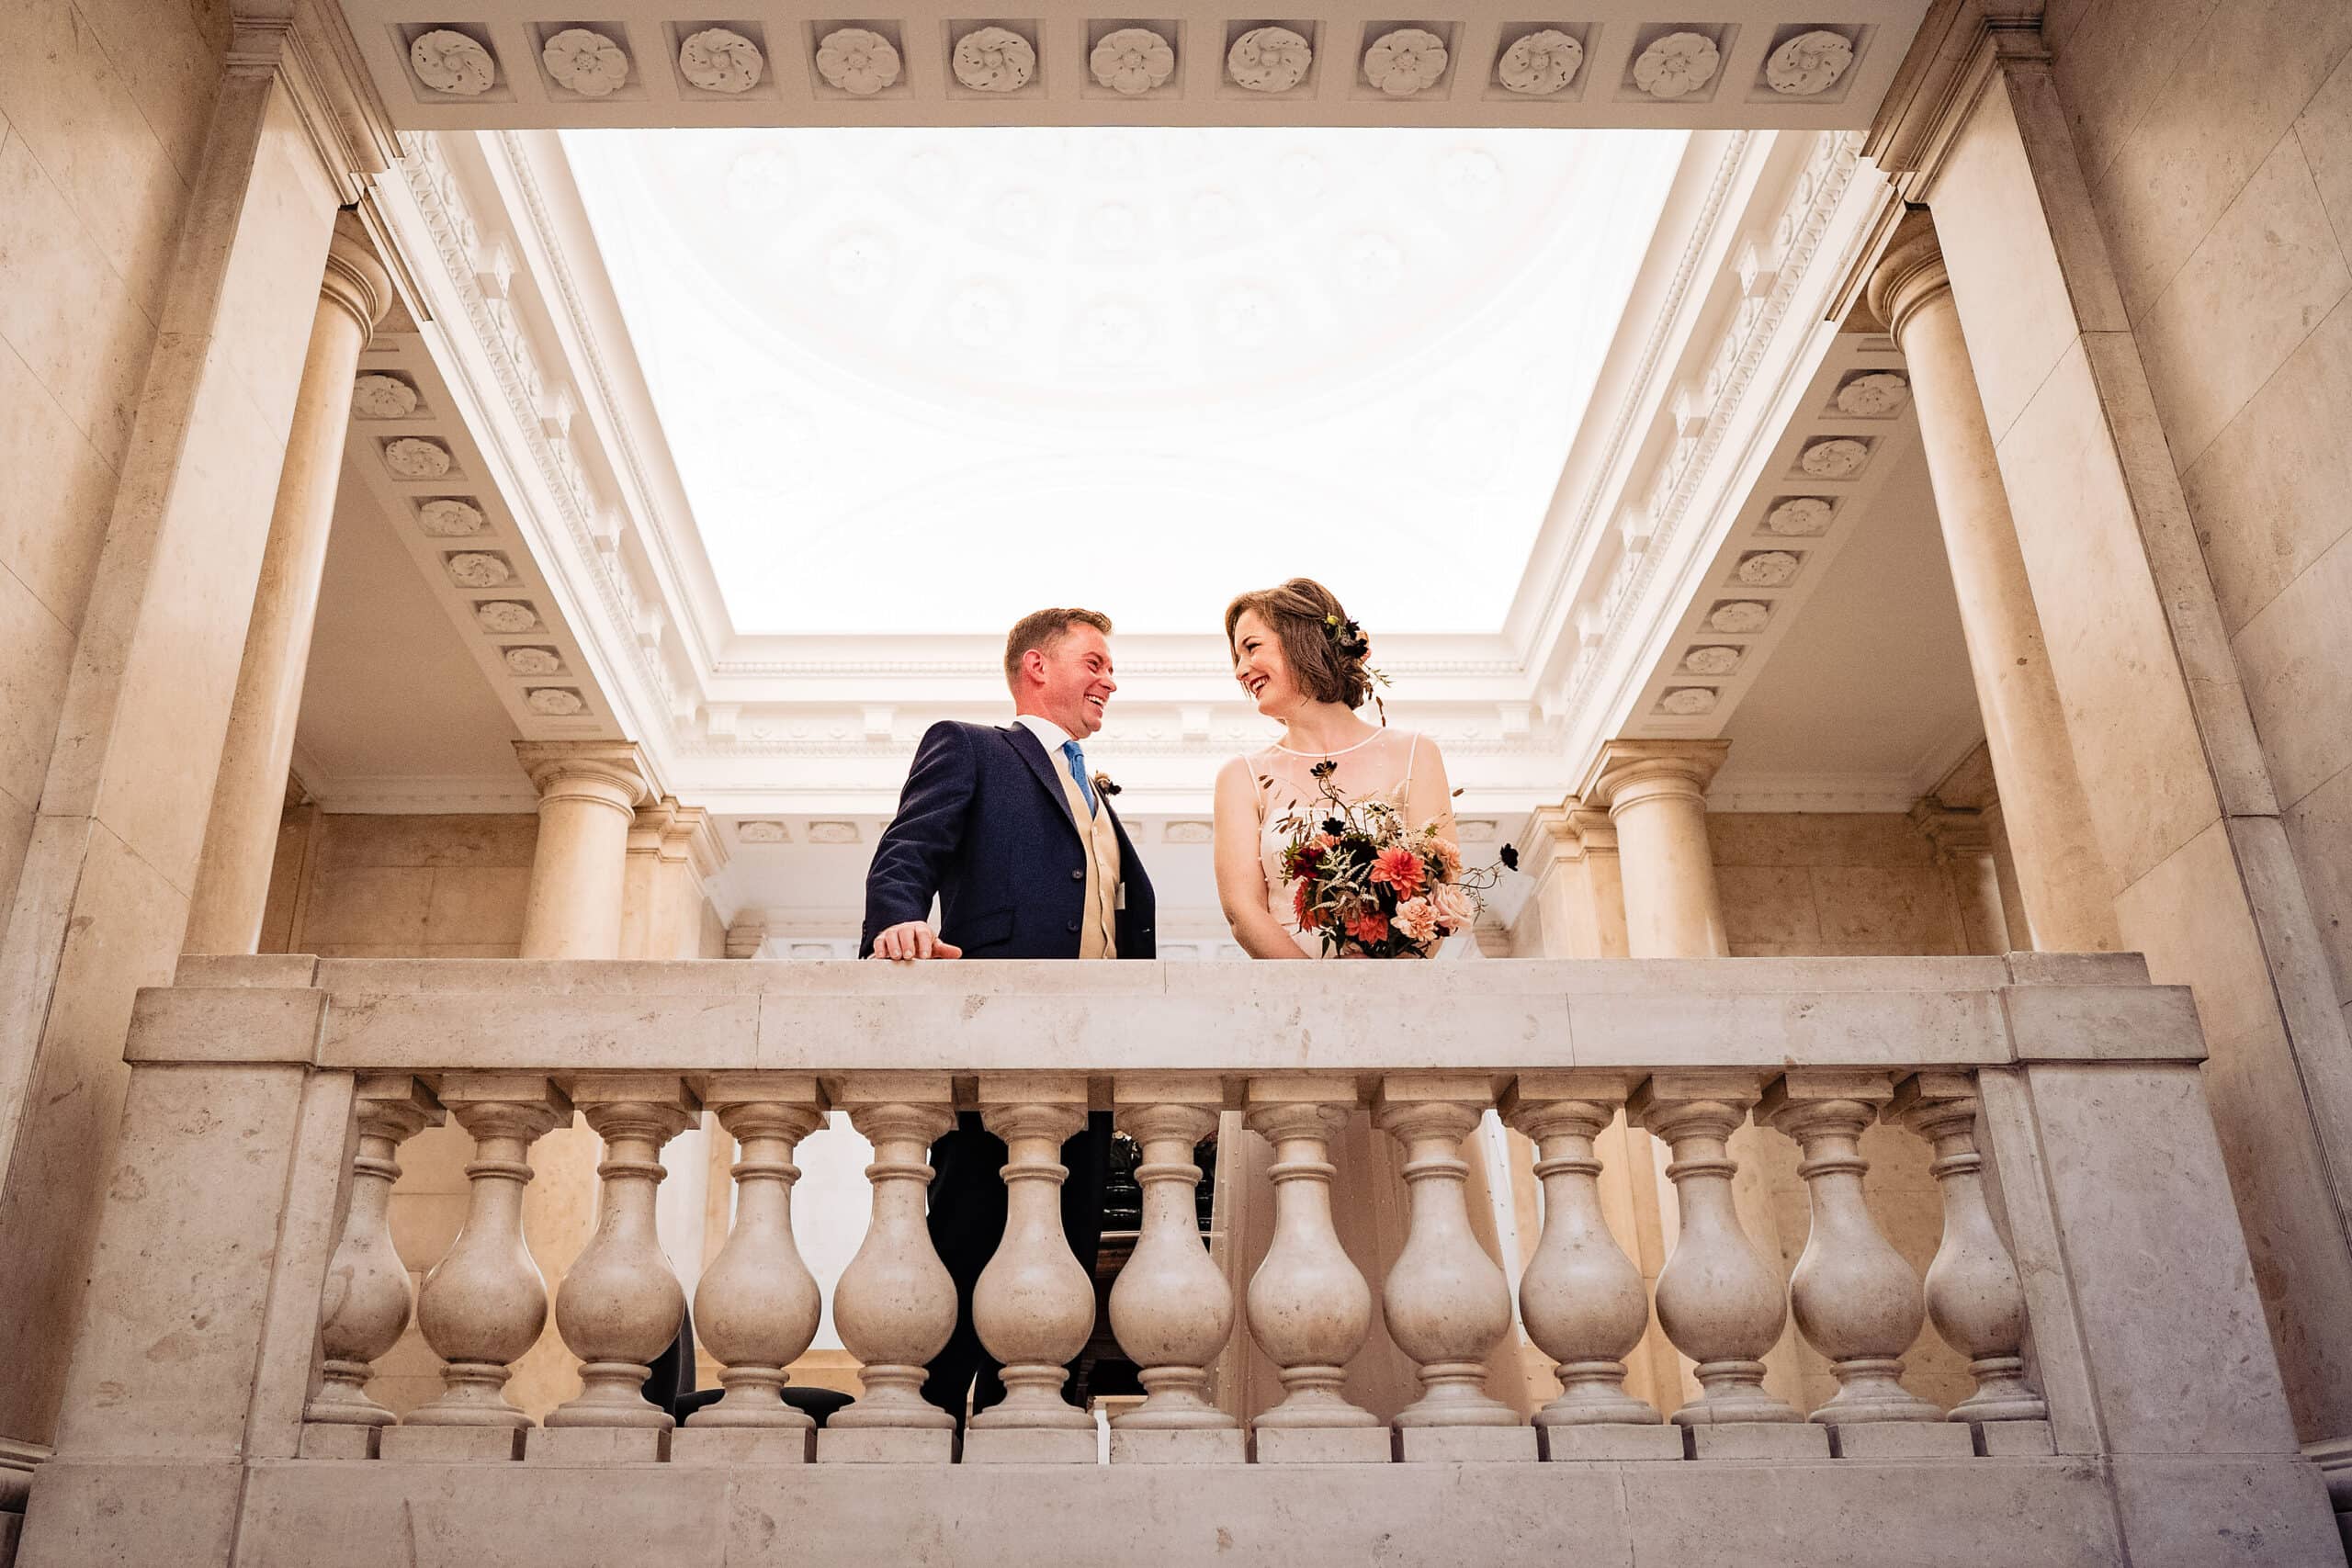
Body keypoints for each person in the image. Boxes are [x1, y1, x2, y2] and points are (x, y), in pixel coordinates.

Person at [1208, 578, 1526, 1425]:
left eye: (1252, 646)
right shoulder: (1242, 775)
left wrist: (1382, 989)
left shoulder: (1416, 753)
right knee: (1301, 1231)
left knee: (1415, 1221)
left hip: (1398, 1023)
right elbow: (1244, 909)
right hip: (1291, 1021)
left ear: (1307, 641)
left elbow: (1442, 887)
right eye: (1235, 653)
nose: (1241, 668)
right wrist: (1326, 998)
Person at [859, 605, 1157, 1427]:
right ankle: (924, 1438)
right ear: (1036, 666)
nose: (1110, 680)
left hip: (1088, 1070)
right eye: (1093, 662)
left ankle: (1030, 1441)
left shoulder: (1096, 790)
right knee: (963, 1245)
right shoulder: (972, 746)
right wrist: (896, 923)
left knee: (1061, 1265)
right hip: (994, 1053)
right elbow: (907, 851)